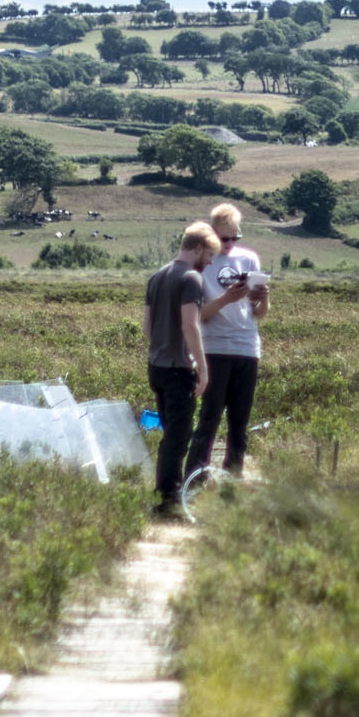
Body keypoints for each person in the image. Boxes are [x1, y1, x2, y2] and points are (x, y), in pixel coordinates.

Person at [189, 203, 270, 479]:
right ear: (212, 234)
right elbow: (197, 315)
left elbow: (259, 314)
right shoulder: (202, 264)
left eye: (236, 237)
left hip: (247, 348)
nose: (230, 244)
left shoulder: (249, 259)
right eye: (225, 239)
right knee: (208, 421)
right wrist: (227, 299)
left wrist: (264, 298)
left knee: (240, 424)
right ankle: (196, 480)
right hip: (215, 348)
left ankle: (233, 481)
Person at [144, 222, 216, 520]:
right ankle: (169, 505)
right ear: (197, 248)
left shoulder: (157, 275)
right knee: (178, 437)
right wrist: (202, 366)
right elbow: (190, 324)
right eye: (209, 255)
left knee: (169, 436)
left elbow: (147, 328)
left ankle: (164, 498)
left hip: (156, 367)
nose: (210, 261)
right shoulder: (191, 279)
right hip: (177, 370)